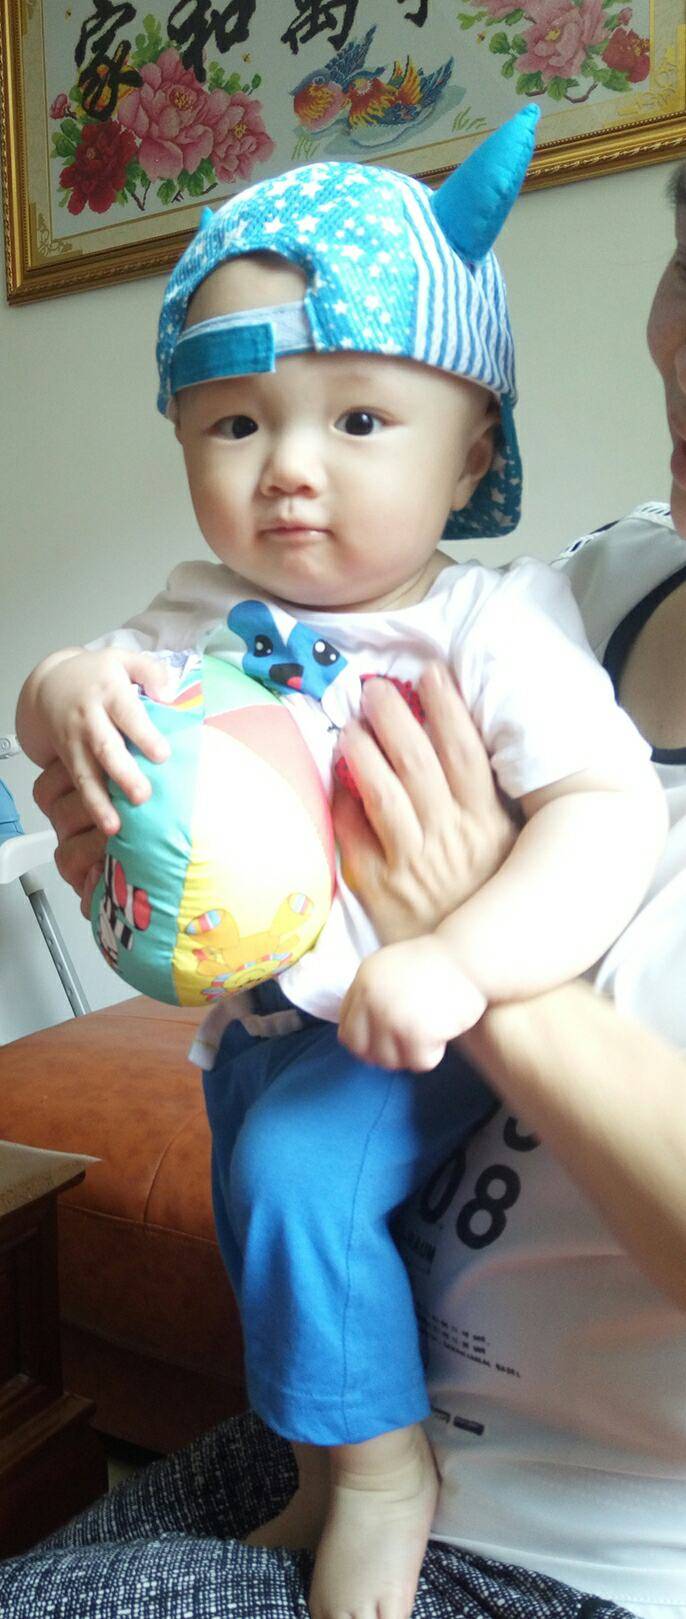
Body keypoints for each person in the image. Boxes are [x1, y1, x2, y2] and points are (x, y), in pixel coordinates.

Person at [9, 140, 682, 1619]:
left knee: (298, 1182)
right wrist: (67, 701)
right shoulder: (205, 608)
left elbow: (602, 811)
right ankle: (328, 1457)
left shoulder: (494, 628)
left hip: (413, 1028)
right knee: (262, 1209)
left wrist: (459, 959)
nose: (290, 468)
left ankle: (380, 1479)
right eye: (234, 422)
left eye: (361, 418)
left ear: (472, 453)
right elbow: (68, 697)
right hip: (264, 1021)